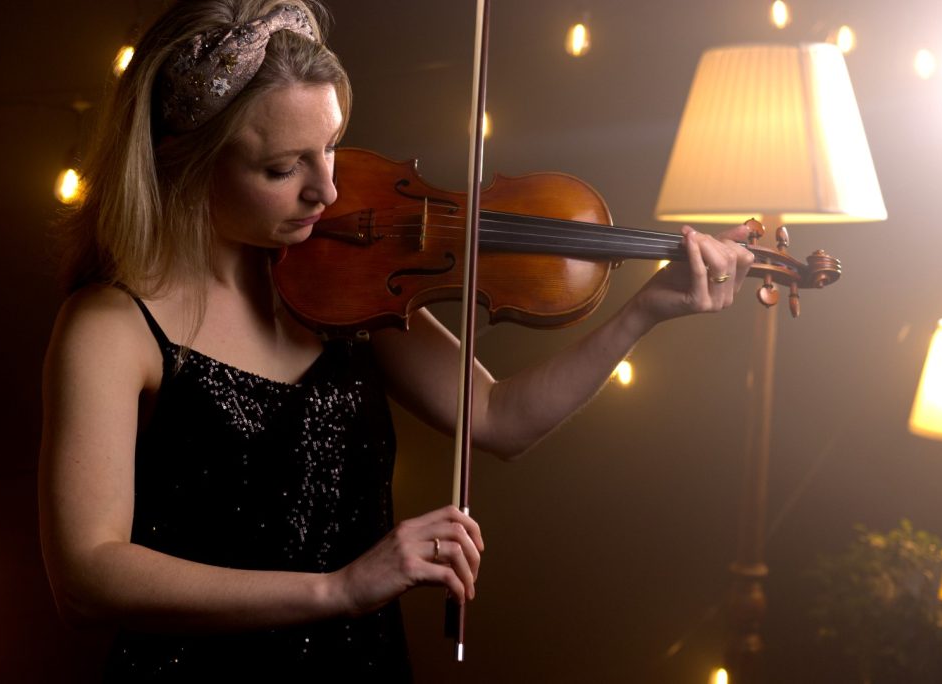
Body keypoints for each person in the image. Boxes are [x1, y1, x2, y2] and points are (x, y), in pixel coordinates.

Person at [37, 0, 754, 680]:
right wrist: (339, 589)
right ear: (185, 164)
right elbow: (87, 577)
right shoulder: (111, 326)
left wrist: (645, 310)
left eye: (331, 148)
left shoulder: (347, 284)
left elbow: (500, 419)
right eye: (283, 169)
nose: (328, 190)